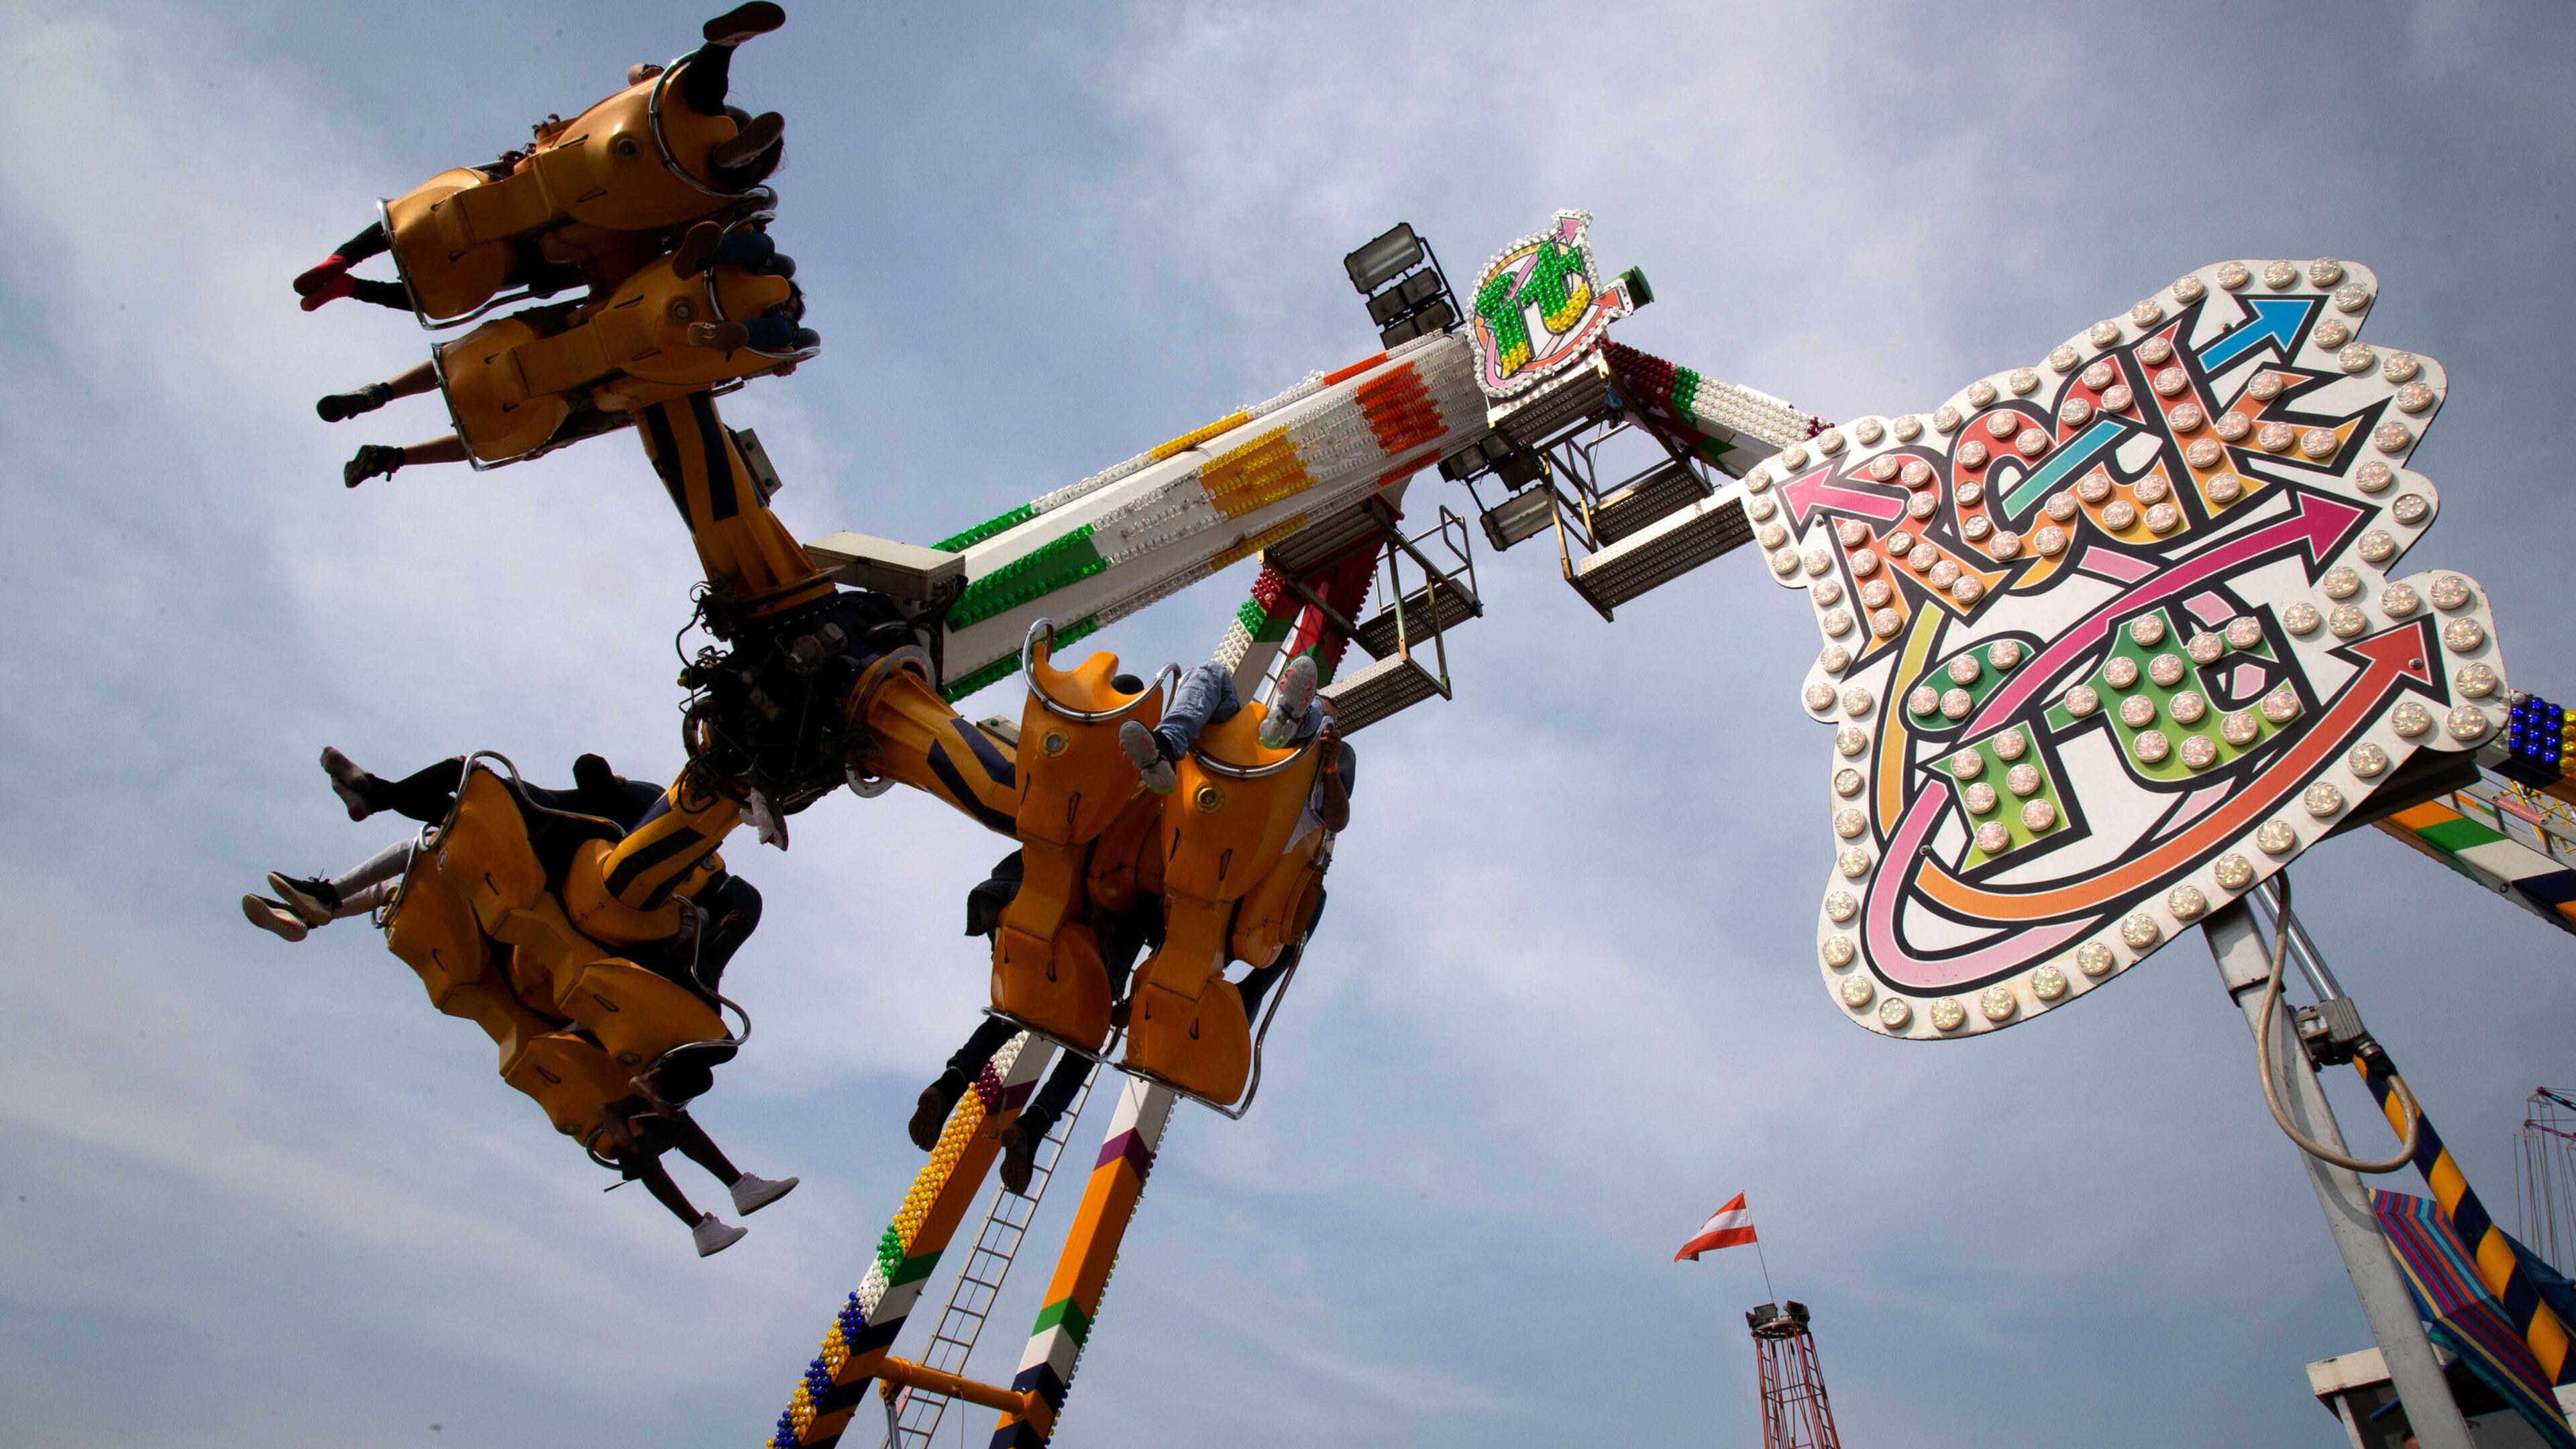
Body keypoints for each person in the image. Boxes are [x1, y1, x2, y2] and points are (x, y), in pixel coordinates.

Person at [290, 5, 790, 313]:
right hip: (585, 225)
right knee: (453, 287)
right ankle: (349, 283)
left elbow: (638, 71)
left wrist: (653, 77)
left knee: (421, 216)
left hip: (549, 172)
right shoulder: (714, 196)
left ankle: (716, 51)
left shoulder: (678, 105)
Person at [1118, 654, 1323, 794]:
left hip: (1247, 737)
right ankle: (1163, 751)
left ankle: (1289, 717)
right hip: (1216, 739)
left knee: (1321, 705)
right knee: (1208, 671)